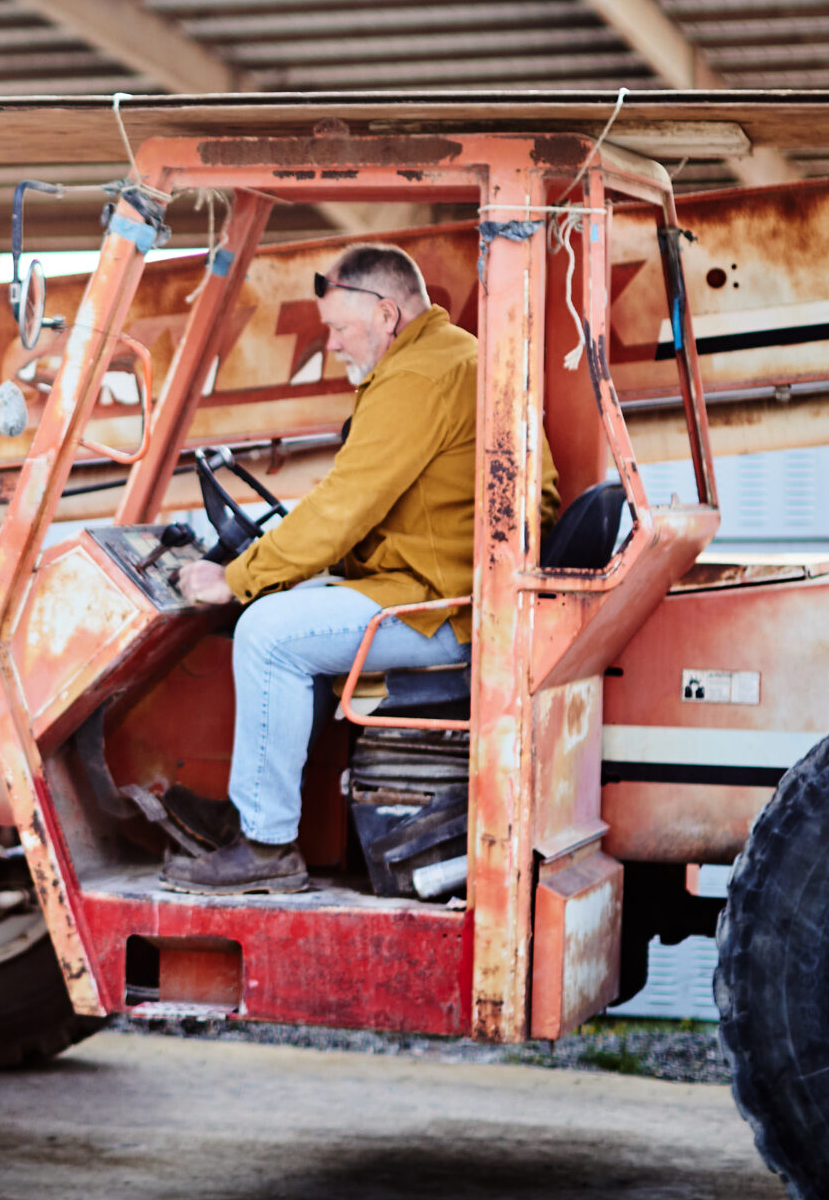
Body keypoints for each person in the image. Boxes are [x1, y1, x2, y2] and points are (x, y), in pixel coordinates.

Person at [164, 241, 557, 895]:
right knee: (296, 601)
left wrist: (235, 578)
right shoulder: (453, 354)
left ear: (386, 314)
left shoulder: (417, 378)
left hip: (440, 605)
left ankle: (266, 845)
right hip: (455, 586)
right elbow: (357, 497)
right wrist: (285, 554)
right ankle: (257, 808)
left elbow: (344, 507)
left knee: (266, 631)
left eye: (340, 329)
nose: (334, 346)